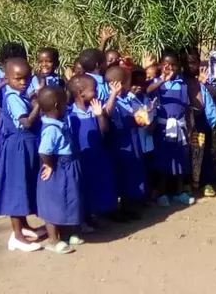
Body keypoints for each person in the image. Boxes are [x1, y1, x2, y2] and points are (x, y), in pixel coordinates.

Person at [0, 58, 44, 252]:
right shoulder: (13, 98)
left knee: (23, 186)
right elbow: (27, 123)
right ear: (7, 78)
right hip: (18, 148)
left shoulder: (21, 94)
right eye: (18, 78)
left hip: (25, 147)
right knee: (16, 189)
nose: (23, 82)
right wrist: (39, 104)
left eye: (26, 78)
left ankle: (23, 226)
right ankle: (17, 237)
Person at [36, 86, 83, 254]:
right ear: (57, 105)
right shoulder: (51, 129)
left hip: (67, 168)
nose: (67, 106)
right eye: (65, 103)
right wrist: (48, 165)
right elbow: (43, 150)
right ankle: (53, 240)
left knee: (69, 200)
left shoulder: (59, 123)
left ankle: (68, 233)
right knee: (53, 204)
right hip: (58, 170)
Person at [67, 74, 118, 227]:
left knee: (97, 185)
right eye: (93, 90)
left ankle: (92, 215)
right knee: (82, 189)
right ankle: (82, 219)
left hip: (97, 155)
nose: (96, 92)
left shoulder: (95, 108)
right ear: (81, 92)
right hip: (81, 157)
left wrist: (100, 116)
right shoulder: (70, 114)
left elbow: (104, 131)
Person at [147, 51, 194, 207]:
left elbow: (186, 107)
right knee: (162, 161)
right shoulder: (156, 83)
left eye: (173, 65)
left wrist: (188, 126)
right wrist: (162, 80)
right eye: (167, 65)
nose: (170, 68)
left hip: (179, 126)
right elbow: (147, 92)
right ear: (160, 66)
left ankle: (179, 192)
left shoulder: (182, 84)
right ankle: (162, 193)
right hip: (162, 127)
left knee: (179, 159)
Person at [105, 66, 148, 218]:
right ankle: (115, 210)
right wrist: (112, 95)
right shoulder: (111, 101)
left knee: (132, 173)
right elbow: (107, 113)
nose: (130, 86)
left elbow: (137, 113)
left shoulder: (129, 99)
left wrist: (143, 118)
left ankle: (128, 205)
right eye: (128, 82)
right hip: (119, 144)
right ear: (118, 84)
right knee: (119, 174)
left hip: (133, 139)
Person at [0, 42, 28, 189]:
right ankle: (2, 181)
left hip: (21, 114)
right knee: (4, 149)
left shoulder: (21, 73)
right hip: (6, 118)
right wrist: (4, 82)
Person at [184, 51, 216, 197]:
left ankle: (206, 182)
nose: (191, 66)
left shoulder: (206, 77)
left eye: (194, 62)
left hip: (202, 119)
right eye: (188, 63)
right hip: (185, 120)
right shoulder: (180, 79)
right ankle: (187, 183)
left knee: (204, 151)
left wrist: (205, 84)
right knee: (186, 152)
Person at [130, 66, 157, 199]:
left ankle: (146, 195)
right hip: (136, 142)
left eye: (141, 84)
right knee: (135, 170)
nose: (138, 87)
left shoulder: (147, 99)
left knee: (147, 169)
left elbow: (154, 117)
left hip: (148, 140)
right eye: (135, 84)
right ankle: (137, 198)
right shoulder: (128, 100)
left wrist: (152, 124)